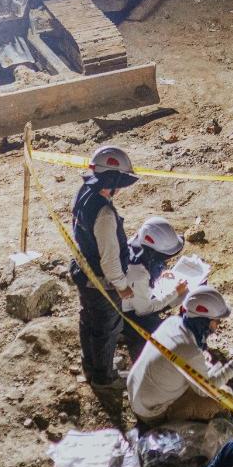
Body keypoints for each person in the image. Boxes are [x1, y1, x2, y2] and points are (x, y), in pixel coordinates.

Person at [70, 145, 140, 416]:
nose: (120, 190)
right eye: (119, 184)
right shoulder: (106, 216)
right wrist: (121, 286)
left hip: (83, 272)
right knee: (107, 328)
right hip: (100, 283)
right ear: (111, 183)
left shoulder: (84, 192)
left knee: (88, 321)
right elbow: (110, 261)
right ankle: (104, 377)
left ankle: (90, 364)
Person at [127, 285, 233, 425]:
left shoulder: (173, 322)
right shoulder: (189, 351)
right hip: (153, 412)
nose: (218, 325)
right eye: (216, 321)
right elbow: (206, 390)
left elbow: (186, 351)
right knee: (225, 396)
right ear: (204, 322)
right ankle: (171, 424)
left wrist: (201, 351)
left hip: (138, 395)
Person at [114, 216, 188, 354]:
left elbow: (141, 277)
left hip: (137, 298)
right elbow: (144, 310)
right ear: (155, 252)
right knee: (166, 333)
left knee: (184, 292)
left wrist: (160, 274)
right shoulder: (138, 273)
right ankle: (125, 333)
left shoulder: (136, 245)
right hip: (127, 314)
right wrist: (175, 292)